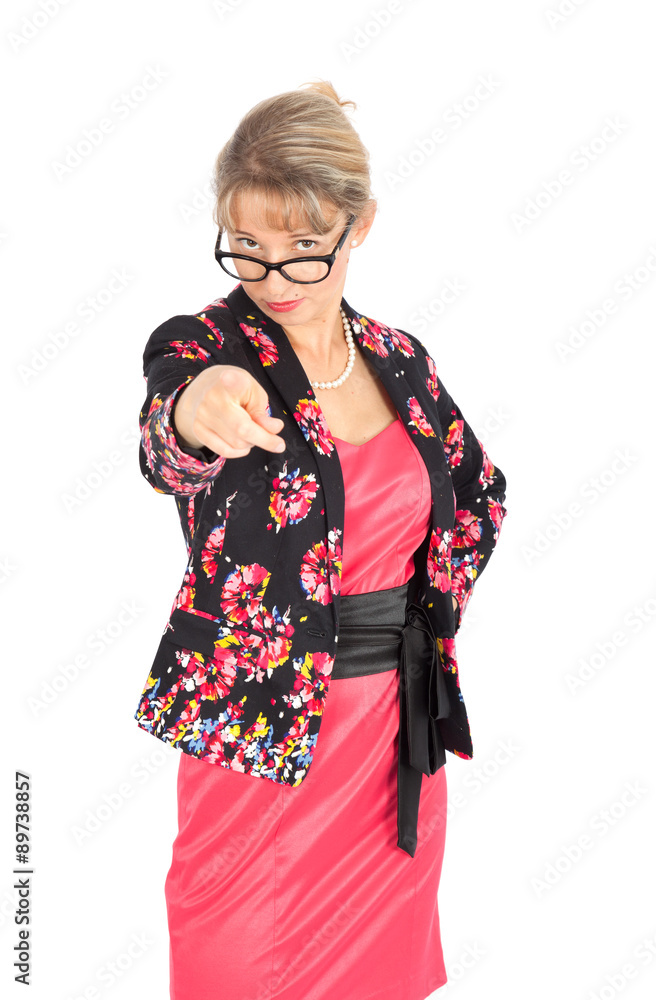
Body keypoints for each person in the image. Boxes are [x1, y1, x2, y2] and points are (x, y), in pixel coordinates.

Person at [134, 79, 508, 1000]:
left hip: (391, 740)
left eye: (305, 250)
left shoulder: (402, 361)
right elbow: (168, 436)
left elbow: (478, 494)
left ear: (358, 226)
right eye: (247, 248)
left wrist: (422, 627)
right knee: (234, 970)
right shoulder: (207, 347)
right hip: (258, 742)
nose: (273, 281)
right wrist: (194, 415)